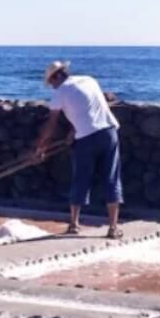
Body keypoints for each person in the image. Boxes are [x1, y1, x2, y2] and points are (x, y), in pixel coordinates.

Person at [35, 60, 123, 238]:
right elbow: (89, 108)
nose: (52, 86)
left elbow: (51, 125)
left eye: (51, 82)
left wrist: (40, 148)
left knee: (80, 179)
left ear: (56, 77)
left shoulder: (60, 93)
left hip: (85, 140)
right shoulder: (89, 80)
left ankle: (74, 224)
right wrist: (73, 131)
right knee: (111, 179)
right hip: (109, 133)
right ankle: (113, 228)